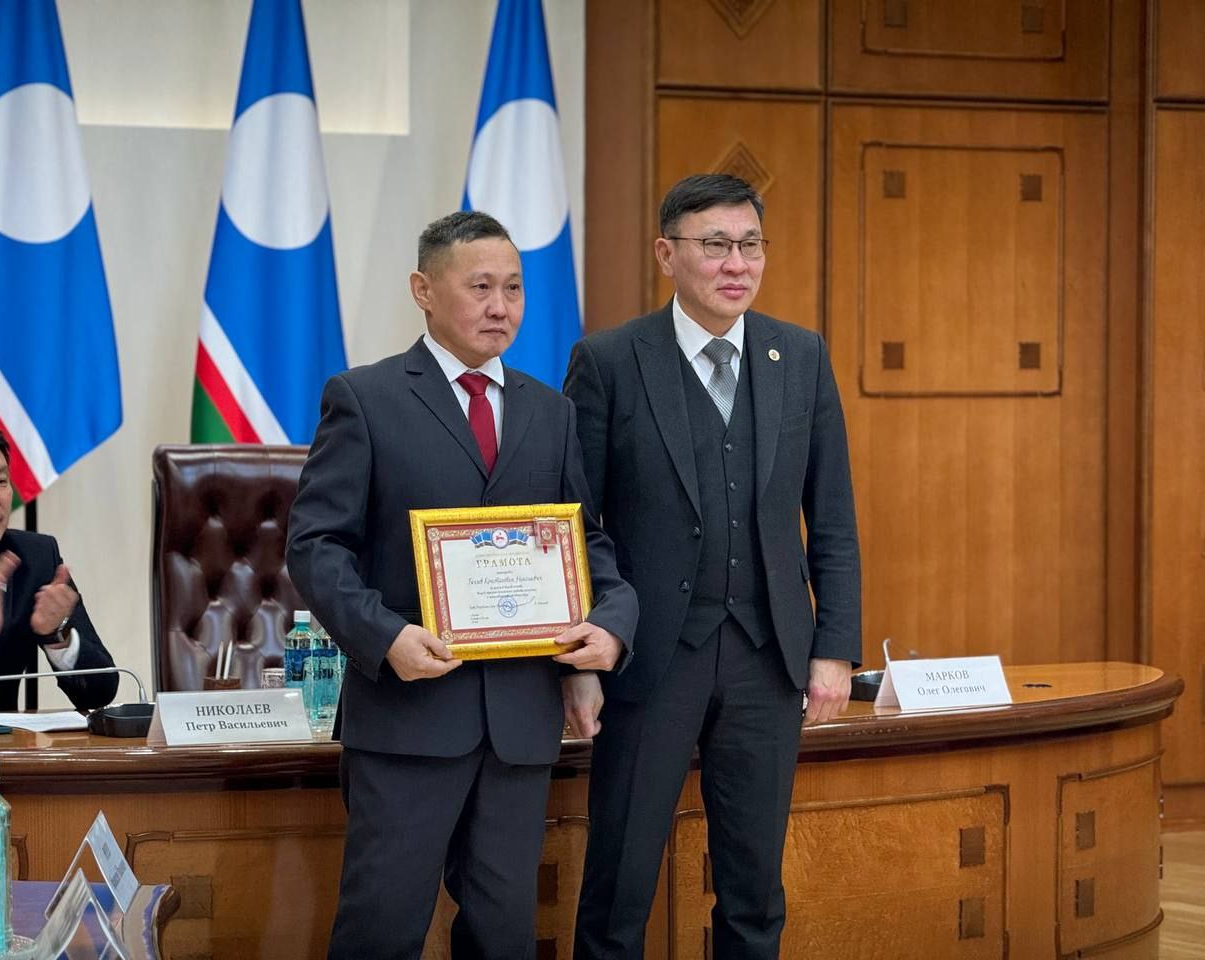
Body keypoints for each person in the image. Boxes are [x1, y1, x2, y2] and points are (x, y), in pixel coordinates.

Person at [286, 211, 638, 960]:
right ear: (424, 290)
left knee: (504, 938)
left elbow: (585, 541)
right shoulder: (365, 397)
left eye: (513, 288)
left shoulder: (551, 410)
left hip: (520, 723)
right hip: (409, 717)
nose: (500, 306)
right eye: (480, 287)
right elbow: (316, 546)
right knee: (382, 932)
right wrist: (385, 637)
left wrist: (612, 621)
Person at [563, 173, 862, 958]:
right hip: (648, 659)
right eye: (716, 244)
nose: (737, 263)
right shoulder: (609, 360)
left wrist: (834, 648)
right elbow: (578, 523)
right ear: (667, 254)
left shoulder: (800, 355)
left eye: (751, 244)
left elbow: (831, 516)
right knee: (618, 888)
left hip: (768, 658)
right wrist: (583, 659)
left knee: (755, 892)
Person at [0, 417, 118, 713]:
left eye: (1, 481)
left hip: (6, 741)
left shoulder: (33, 557)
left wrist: (57, 635)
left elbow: (100, 692)